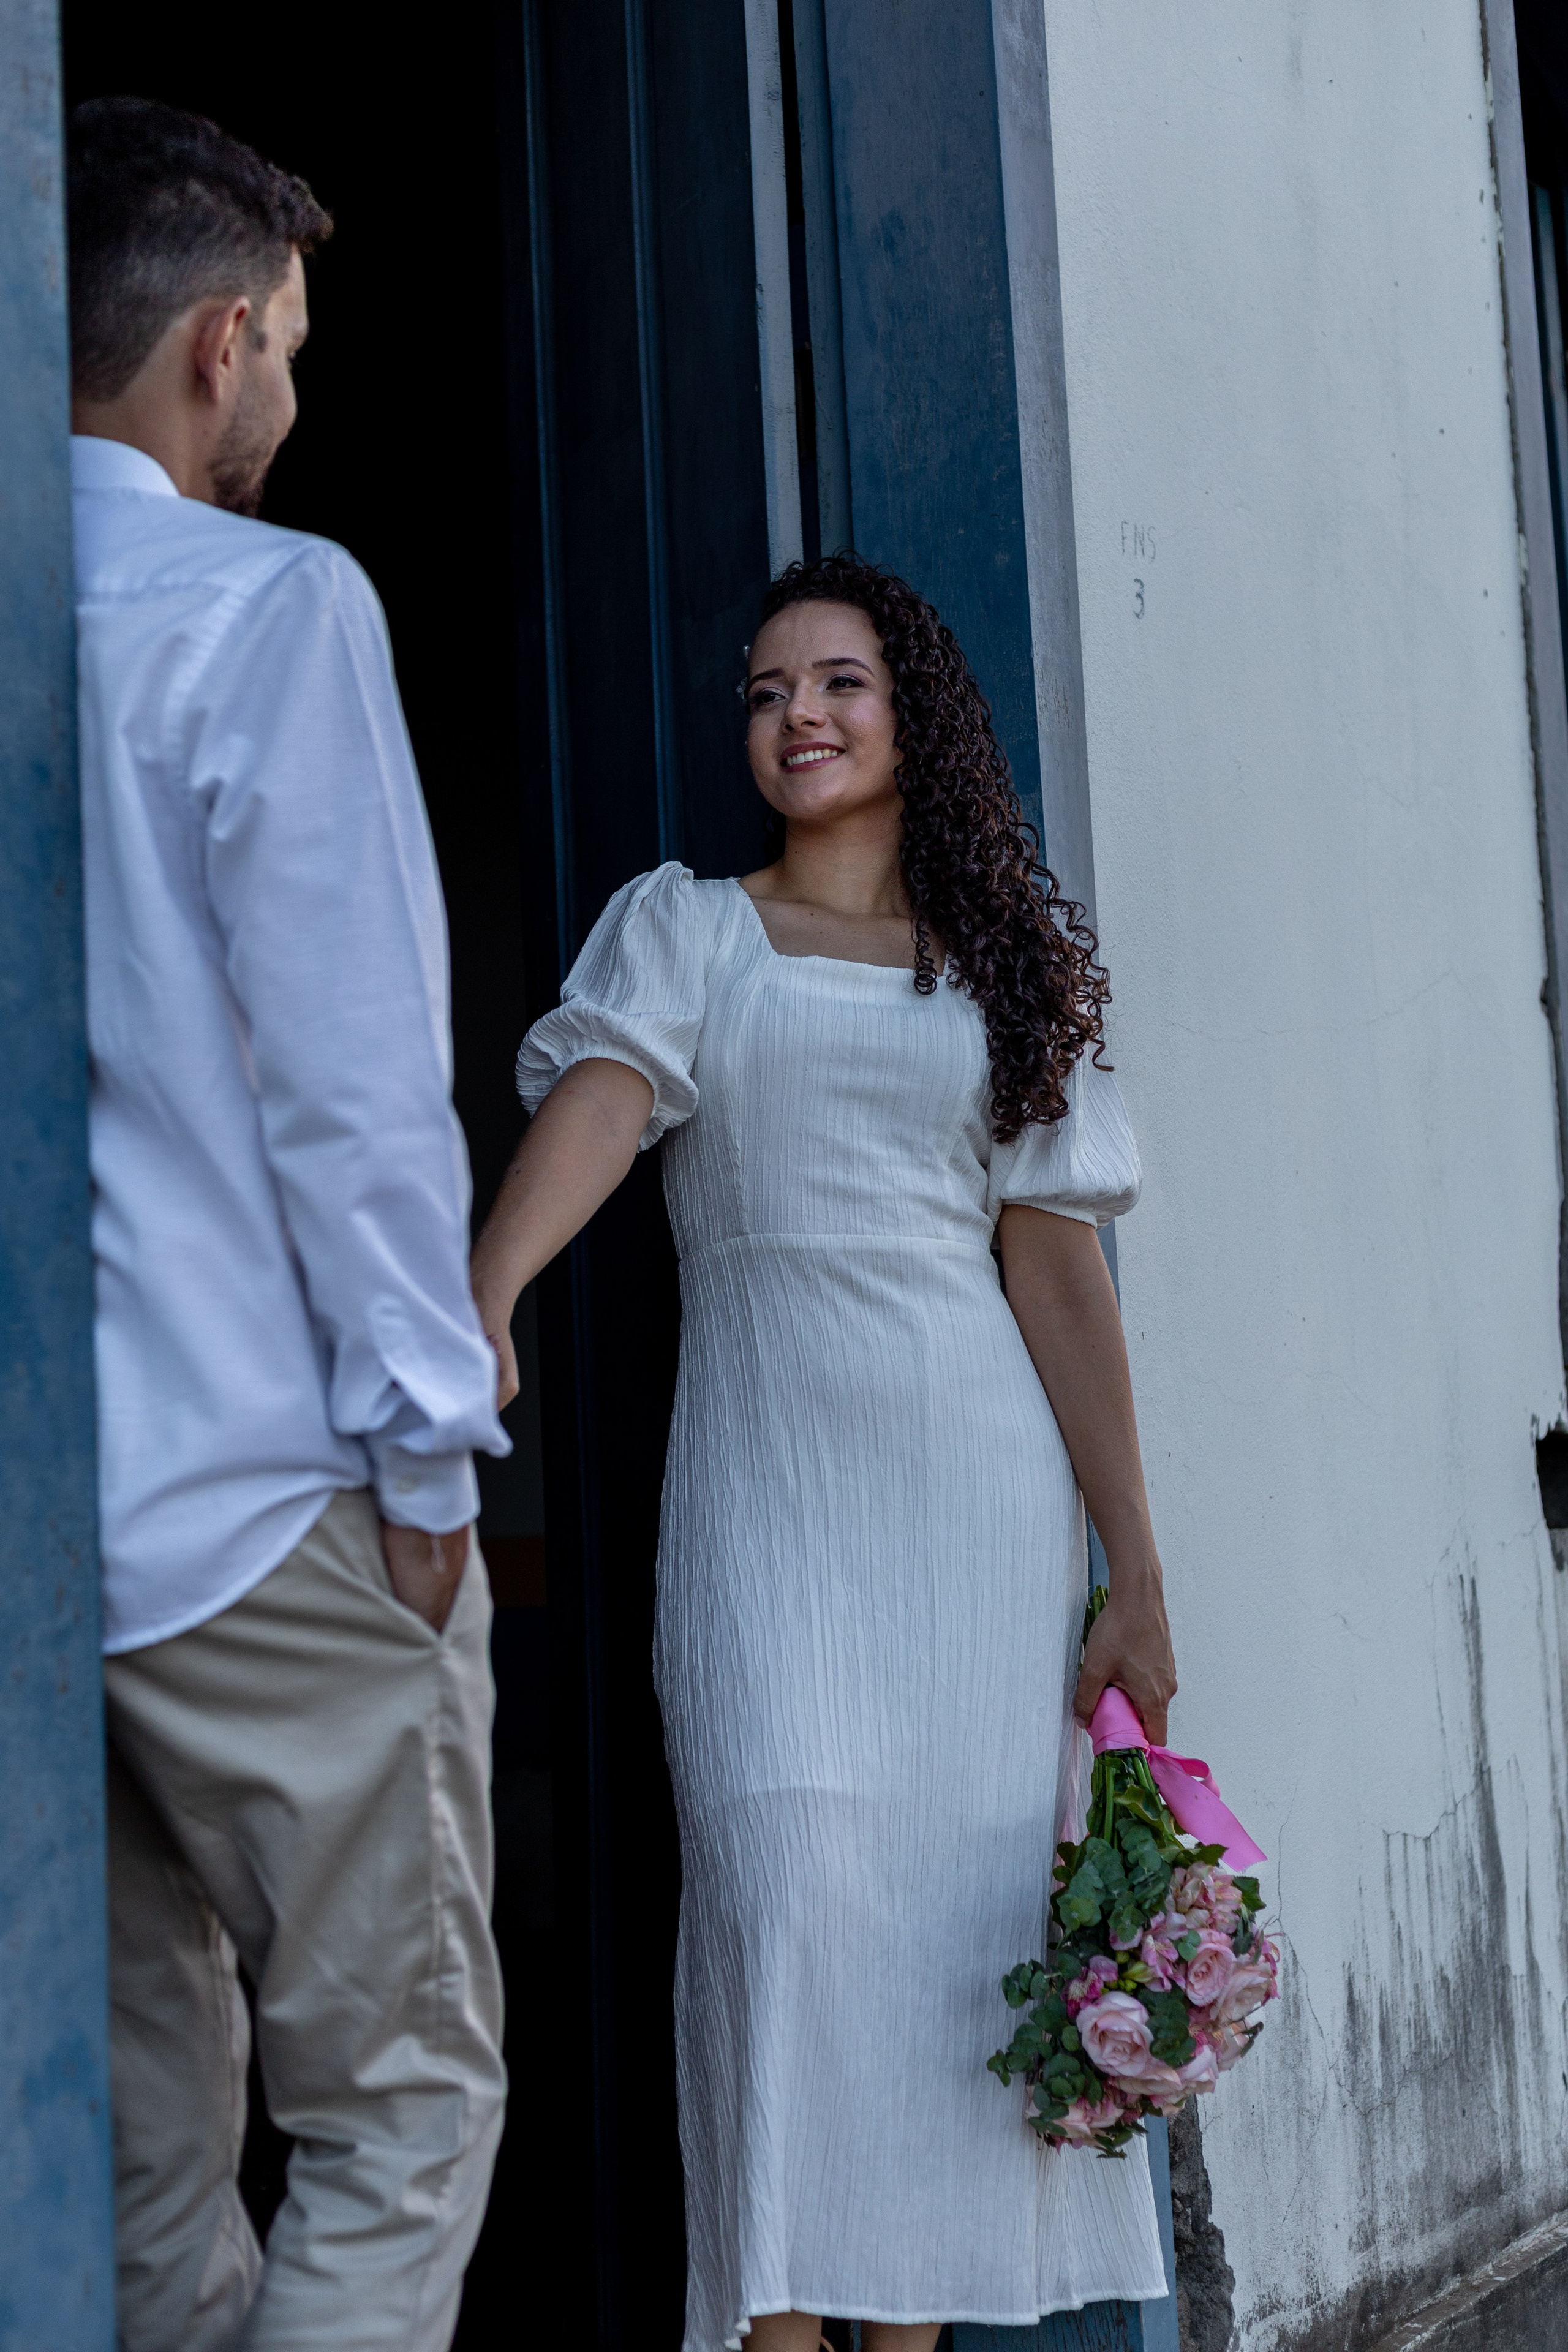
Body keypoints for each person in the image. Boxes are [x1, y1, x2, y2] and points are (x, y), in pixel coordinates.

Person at [470, 554, 1178, 2350]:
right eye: (770, 689)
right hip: (769, 1503)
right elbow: (603, 1108)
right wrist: (480, 1301)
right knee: (784, 1908)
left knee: (949, 1963)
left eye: (839, 682)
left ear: (910, 712)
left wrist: (1136, 1570)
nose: (798, 714)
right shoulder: (692, 929)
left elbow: (1058, 1271)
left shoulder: (1000, 969)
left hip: (977, 1505)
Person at [67, 97, 509, 2352]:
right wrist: (427, 1454)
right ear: (217, 345)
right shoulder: (264, 606)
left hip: (58, 1538)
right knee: (405, 2110)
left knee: (136, 2160)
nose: (302, 400)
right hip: (257, 1511)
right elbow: (352, 1088)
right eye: (299, 350)